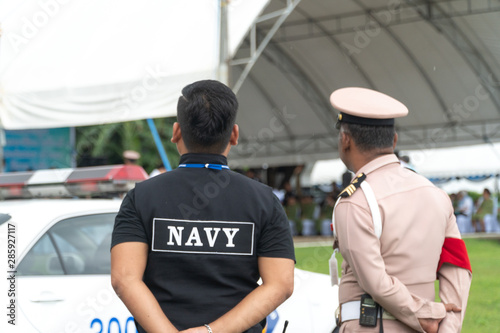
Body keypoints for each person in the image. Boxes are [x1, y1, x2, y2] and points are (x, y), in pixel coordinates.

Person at [110, 80, 295, 333]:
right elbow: (280, 283)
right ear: (234, 135)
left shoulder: (140, 197)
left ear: (176, 132)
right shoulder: (265, 201)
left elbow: (125, 279)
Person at [329, 87, 472, 332]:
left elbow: (374, 282)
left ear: (345, 140)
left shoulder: (355, 201)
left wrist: (426, 314)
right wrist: (448, 326)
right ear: (393, 141)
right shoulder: (437, 195)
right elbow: (456, 263)